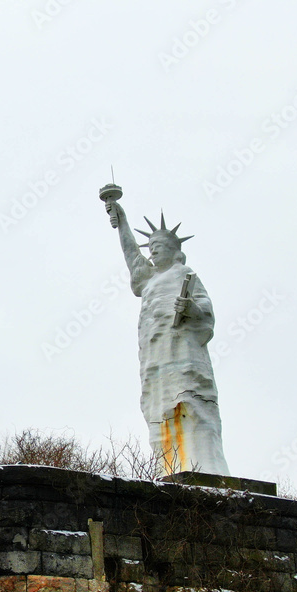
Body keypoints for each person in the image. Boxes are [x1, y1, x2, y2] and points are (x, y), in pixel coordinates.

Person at [106, 200, 230, 476]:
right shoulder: (149, 281)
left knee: (190, 401)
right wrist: (121, 223)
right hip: (155, 356)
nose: (153, 252)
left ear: (175, 252)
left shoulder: (183, 274)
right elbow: (132, 257)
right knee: (159, 408)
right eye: (151, 249)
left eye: (159, 247)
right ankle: (170, 466)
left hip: (183, 350)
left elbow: (205, 310)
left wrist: (190, 309)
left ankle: (205, 465)